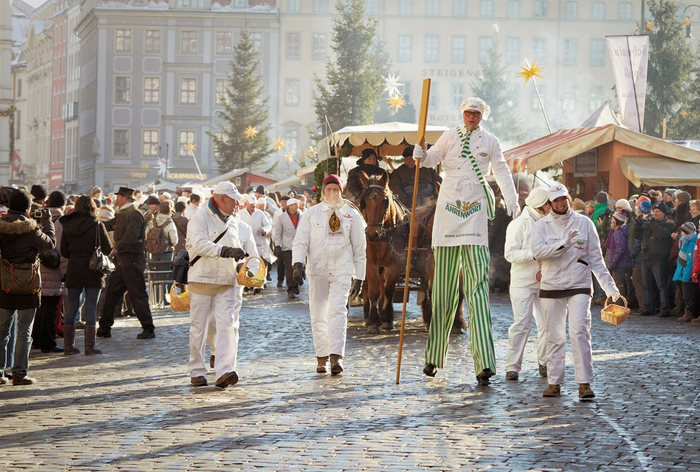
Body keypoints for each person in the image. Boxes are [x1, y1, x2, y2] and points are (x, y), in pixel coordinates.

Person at [413, 97, 520, 385]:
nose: (470, 117)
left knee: (477, 292)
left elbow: (501, 169)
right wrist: (420, 154)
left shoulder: (491, 141)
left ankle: (484, 363)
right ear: (462, 114)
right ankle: (433, 358)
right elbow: (433, 160)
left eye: (475, 114)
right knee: (443, 292)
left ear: (481, 116)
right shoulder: (449, 135)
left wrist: (512, 198)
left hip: (474, 216)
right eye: (467, 113)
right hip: (448, 213)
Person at [531, 184, 619, 400]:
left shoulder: (585, 223)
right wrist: (563, 244)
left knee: (580, 331)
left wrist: (611, 289)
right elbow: (537, 252)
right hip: (552, 285)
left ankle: (584, 383)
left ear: (568, 199)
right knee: (554, 336)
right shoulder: (541, 226)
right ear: (549, 204)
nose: (560, 204)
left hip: (579, 283)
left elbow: (596, 259)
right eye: (556, 200)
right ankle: (554, 382)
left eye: (563, 199)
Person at [292, 175, 366, 375]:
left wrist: (359, 276)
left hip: (342, 270)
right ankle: (321, 357)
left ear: (341, 191)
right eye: (329, 189)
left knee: (338, 312)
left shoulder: (352, 215)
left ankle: (336, 356)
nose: (332, 193)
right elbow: (300, 241)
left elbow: (360, 249)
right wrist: (297, 263)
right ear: (323, 191)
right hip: (318, 270)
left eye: (336, 189)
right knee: (318, 314)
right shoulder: (311, 214)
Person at [186, 181, 247, 389]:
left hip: (226, 280)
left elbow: (237, 248)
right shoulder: (199, 217)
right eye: (234, 200)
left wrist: (241, 264)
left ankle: (225, 370)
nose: (237, 204)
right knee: (199, 327)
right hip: (202, 278)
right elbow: (199, 244)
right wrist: (225, 251)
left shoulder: (234, 221)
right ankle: (197, 370)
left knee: (227, 324)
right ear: (222, 199)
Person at [0, 189, 56, 385]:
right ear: (27, 208)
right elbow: (49, 245)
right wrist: (47, 222)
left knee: (2, 330)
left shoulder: (1, 227)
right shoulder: (31, 229)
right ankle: (19, 373)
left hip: (5, 283)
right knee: (24, 331)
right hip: (28, 285)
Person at [503, 187, 550, 381]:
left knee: (548, 324)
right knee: (522, 323)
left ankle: (545, 362)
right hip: (523, 281)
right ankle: (512, 366)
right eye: (549, 203)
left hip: (546, 280)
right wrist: (533, 254)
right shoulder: (518, 224)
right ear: (541, 205)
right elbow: (509, 254)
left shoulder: (550, 223)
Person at [97, 187, 156, 339]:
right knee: (112, 293)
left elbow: (131, 235)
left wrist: (116, 248)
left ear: (124, 198)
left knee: (137, 294)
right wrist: (93, 223)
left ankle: (148, 328)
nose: (116, 200)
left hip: (132, 259)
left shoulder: (134, 214)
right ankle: (104, 328)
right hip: (123, 260)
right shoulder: (124, 213)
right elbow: (108, 225)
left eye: (118, 197)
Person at [59, 195, 113, 355]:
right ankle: (90, 347)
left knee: (72, 307)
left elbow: (64, 251)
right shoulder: (97, 225)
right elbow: (108, 249)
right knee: (90, 307)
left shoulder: (68, 224)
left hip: (74, 268)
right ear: (92, 207)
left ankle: (68, 347)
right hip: (93, 269)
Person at [34, 191, 67, 353]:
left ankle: (37, 340)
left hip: (39, 267)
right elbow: (62, 248)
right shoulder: (61, 222)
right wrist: (65, 271)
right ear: (62, 205)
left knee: (40, 306)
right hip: (54, 269)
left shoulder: (39, 217)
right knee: (51, 307)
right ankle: (48, 342)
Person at [635, 201, 675, 317]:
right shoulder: (649, 223)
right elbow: (636, 235)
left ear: (664, 213)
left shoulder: (668, 223)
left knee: (661, 285)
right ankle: (648, 308)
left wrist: (652, 222)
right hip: (645, 257)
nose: (655, 213)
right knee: (646, 285)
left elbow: (662, 235)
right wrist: (638, 222)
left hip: (659, 258)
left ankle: (665, 309)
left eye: (658, 211)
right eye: (654, 211)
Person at [274, 197, 302, 298]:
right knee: (289, 269)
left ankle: (296, 285)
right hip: (287, 246)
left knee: (298, 267)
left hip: (300, 246)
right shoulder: (281, 217)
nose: (296, 206)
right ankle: (291, 288)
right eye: (294, 205)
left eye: (297, 204)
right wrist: (277, 245)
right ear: (289, 206)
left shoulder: (303, 216)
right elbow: (278, 233)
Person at [674, 222, 699, 322]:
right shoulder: (685, 241)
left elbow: (690, 262)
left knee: (689, 295)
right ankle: (688, 312)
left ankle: (690, 313)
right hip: (682, 271)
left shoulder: (691, 242)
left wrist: (686, 276)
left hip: (687, 274)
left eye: (682, 231)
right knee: (685, 294)